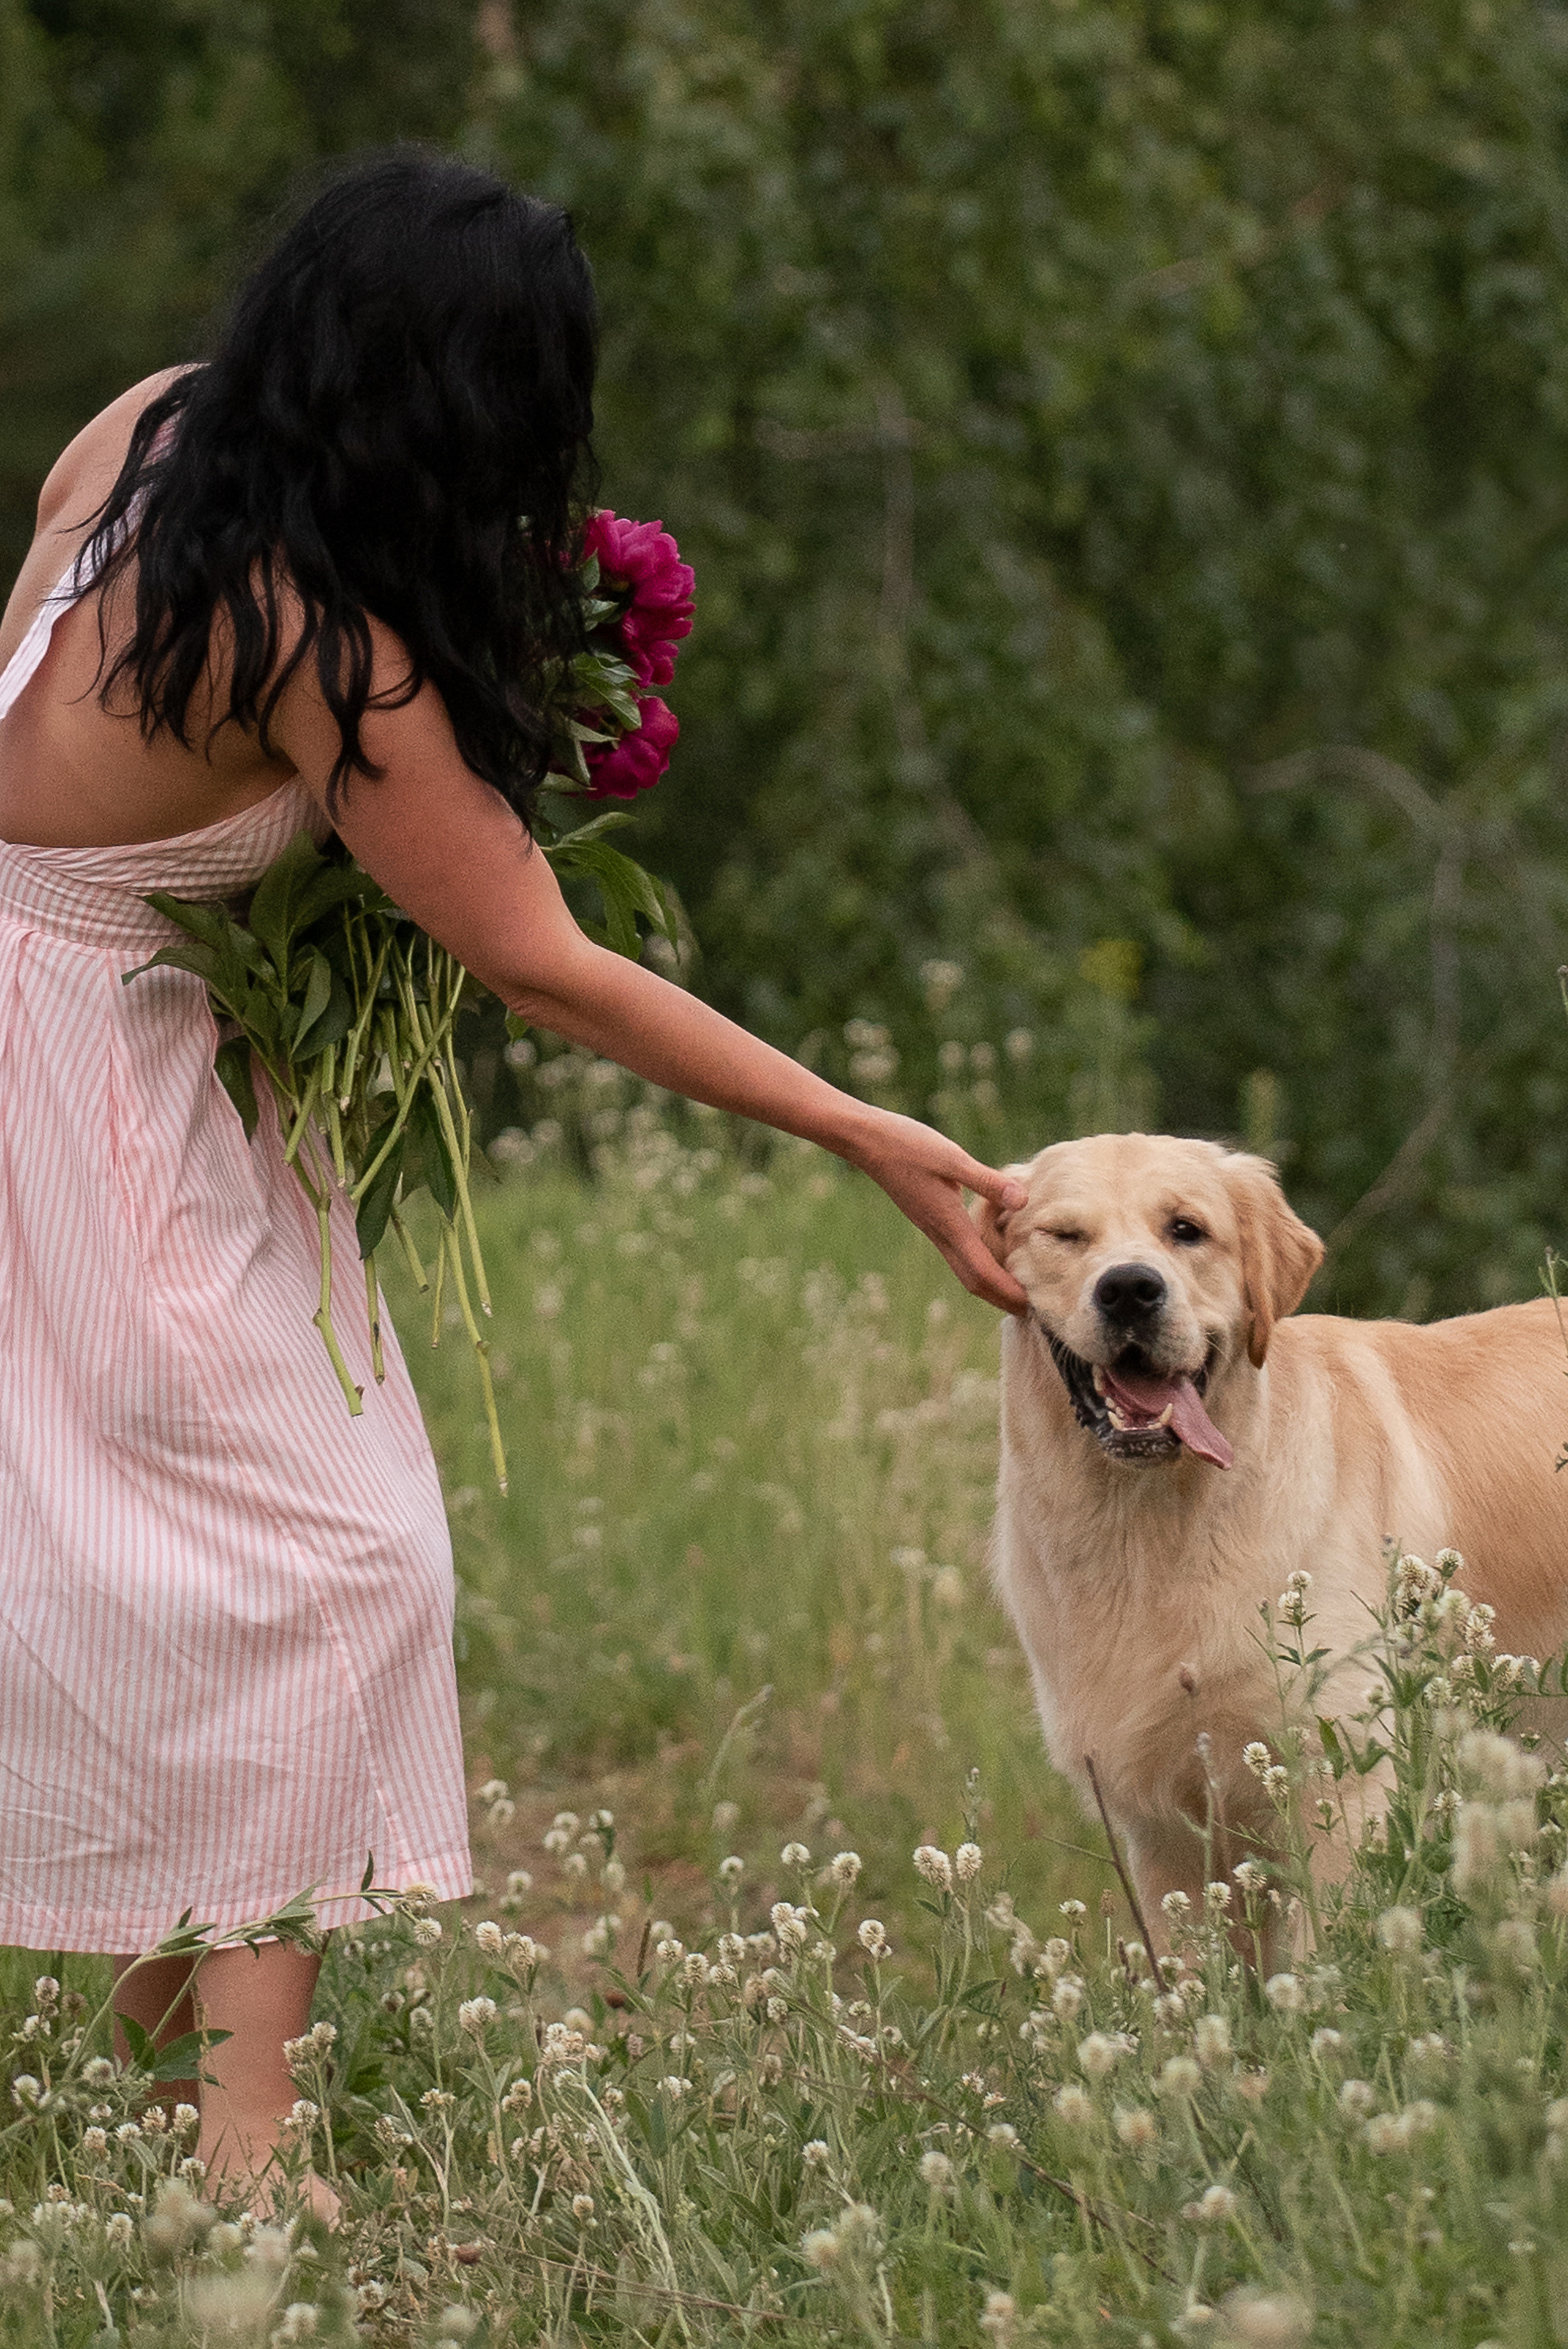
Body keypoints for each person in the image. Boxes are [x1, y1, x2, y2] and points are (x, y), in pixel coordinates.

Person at [0, 148, 1027, 2208]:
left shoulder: (156, 430)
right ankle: (241, 2155)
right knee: (330, 1552)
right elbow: (540, 957)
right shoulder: (321, 644)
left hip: (74, 1022)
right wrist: (868, 1129)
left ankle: (157, 2077)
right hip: (75, 1078)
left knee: (138, 1553)